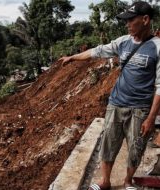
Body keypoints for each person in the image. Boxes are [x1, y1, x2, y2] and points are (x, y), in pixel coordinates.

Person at [59, 1, 160, 189]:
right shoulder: (123, 42)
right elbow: (97, 51)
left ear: (145, 20)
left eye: (131, 20)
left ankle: (128, 181)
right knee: (108, 143)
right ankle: (105, 182)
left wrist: (152, 116)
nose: (127, 24)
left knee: (136, 148)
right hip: (116, 103)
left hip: (140, 109)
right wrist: (72, 57)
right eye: (126, 21)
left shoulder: (157, 47)